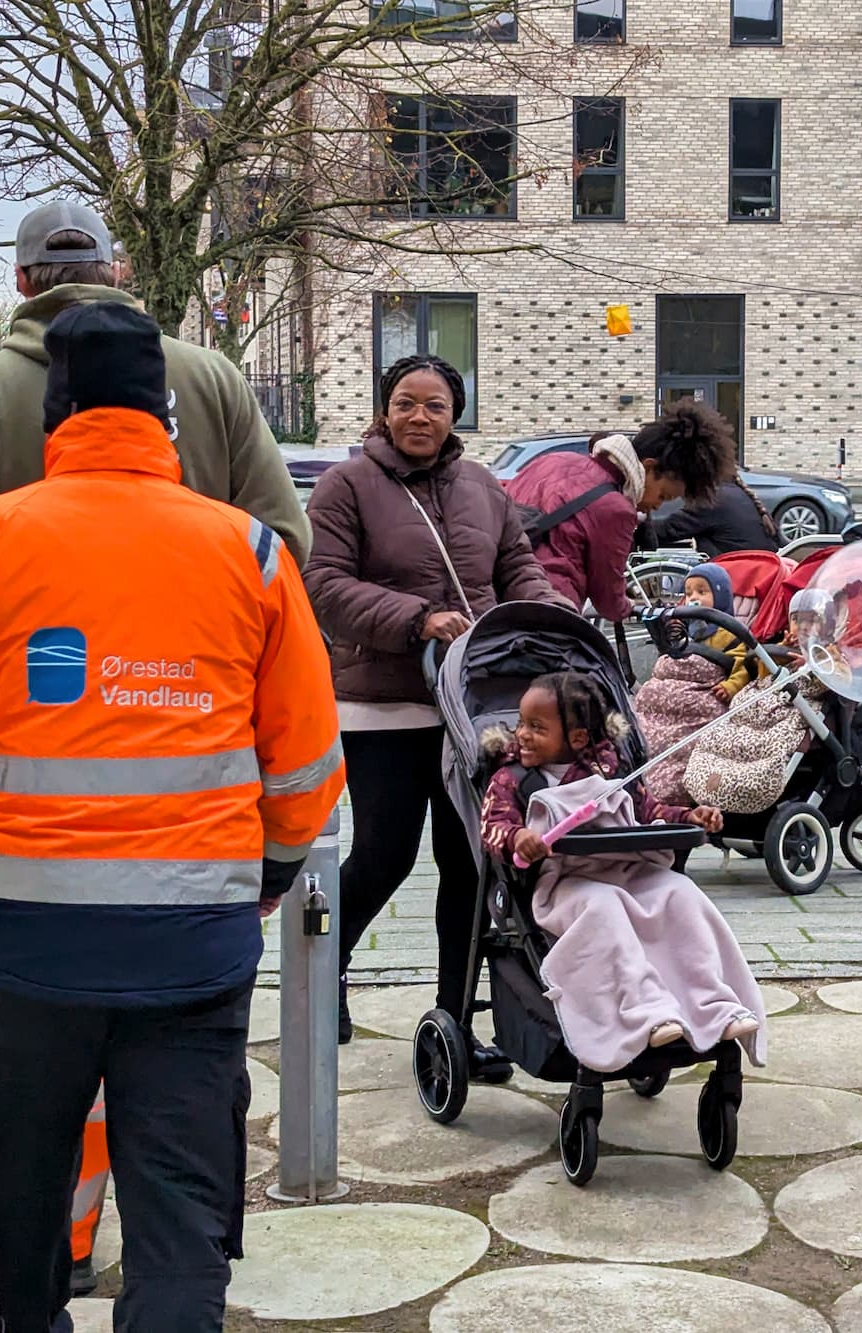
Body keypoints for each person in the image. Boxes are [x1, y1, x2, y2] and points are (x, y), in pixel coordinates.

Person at [0, 302, 344, 1333]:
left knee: (25, 1189)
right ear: (168, 422)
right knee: (179, 1207)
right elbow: (305, 757)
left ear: (54, 417)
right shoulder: (252, 553)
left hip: (20, 942)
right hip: (195, 938)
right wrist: (265, 871)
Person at [303, 353, 559, 1063]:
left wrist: (556, 616)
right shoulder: (345, 485)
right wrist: (418, 617)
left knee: (471, 865)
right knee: (385, 853)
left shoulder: (484, 486)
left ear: (456, 414)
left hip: (473, 707)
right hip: (384, 705)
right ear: (384, 409)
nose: (421, 416)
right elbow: (323, 582)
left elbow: (519, 568)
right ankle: (328, 971)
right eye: (407, 403)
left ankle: (455, 1019)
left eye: (436, 405)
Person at [0, 199, 308, 592]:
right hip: (199, 660)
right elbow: (287, 540)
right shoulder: (214, 379)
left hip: (36, 661)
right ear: (113, 272)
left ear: (20, 279)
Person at [479, 671, 763, 1071]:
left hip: (625, 869)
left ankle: (712, 1002)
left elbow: (648, 813)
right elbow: (493, 826)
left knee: (678, 892)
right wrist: (518, 837)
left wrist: (689, 815)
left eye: (536, 727)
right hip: (564, 885)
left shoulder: (610, 774)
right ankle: (646, 1009)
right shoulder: (512, 779)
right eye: (521, 724)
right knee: (604, 905)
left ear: (577, 738)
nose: (521, 734)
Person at [506, 404, 737, 623]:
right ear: (648, 467)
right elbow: (608, 600)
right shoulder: (616, 510)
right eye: (663, 496)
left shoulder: (553, 460)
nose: (657, 506)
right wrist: (631, 606)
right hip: (548, 610)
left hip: (502, 591)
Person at [633, 563, 750, 807]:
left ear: (720, 596)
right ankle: (641, 779)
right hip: (667, 696)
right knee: (645, 713)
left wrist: (731, 686)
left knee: (689, 735)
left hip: (704, 695)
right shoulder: (685, 628)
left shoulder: (730, 632)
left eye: (701, 592)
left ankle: (670, 788)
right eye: (689, 593)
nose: (693, 598)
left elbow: (742, 665)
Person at [648, 474, 781, 557]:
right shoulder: (735, 490)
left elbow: (671, 529)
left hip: (738, 573)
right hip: (761, 567)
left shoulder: (711, 500)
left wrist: (637, 525)